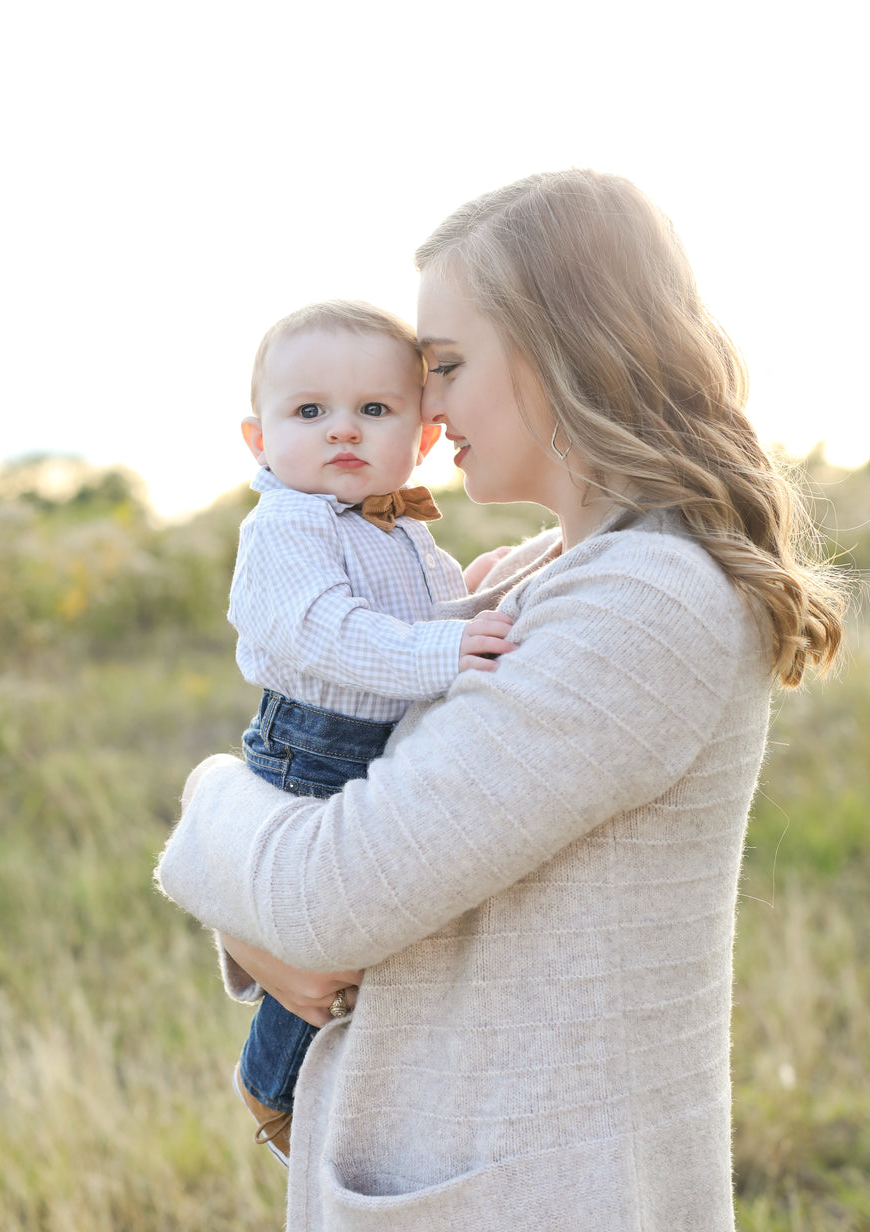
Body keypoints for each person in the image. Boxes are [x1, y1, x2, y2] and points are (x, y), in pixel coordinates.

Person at [156, 169, 845, 1232]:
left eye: (446, 365)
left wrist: (206, 798)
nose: (424, 405)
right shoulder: (551, 570)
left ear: (560, 347)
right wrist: (260, 920)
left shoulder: (642, 603)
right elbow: (337, 868)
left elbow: (330, 893)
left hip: (535, 1193)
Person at [225, 299, 517, 1162]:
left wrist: (475, 588)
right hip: (311, 746)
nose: (342, 431)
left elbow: (417, 616)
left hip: (368, 742)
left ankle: (344, 1091)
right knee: (320, 921)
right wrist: (449, 648)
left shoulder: (397, 527)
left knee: (374, 929)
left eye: (375, 410)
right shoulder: (286, 524)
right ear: (259, 440)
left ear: (422, 438)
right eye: (310, 412)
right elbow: (330, 632)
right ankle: (272, 1084)